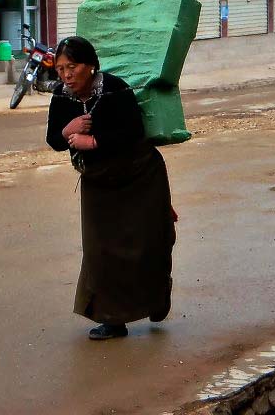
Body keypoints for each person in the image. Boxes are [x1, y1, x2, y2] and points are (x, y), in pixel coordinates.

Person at [45, 36, 175, 341]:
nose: (65, 74)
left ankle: (157, 296)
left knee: (149, 241)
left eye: (72, 67)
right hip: (98, 182)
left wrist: (94, 141)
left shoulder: (115, 89)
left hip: (139, 174)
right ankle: (111, 319)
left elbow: (133, 131)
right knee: (99, 251)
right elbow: (53, 138)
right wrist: (69, 130)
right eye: (60, 68)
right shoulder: (61, 97)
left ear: (90, 65)